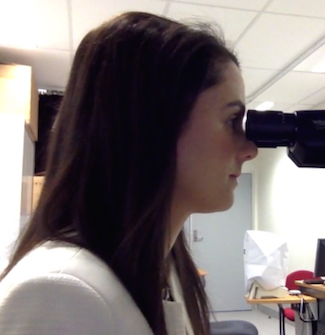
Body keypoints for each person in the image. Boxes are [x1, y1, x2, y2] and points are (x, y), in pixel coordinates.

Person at [0, 11, 257, 335]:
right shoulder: (58, 292)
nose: (250, 150)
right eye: (233, 120)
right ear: (151, 126)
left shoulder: (165, 266)